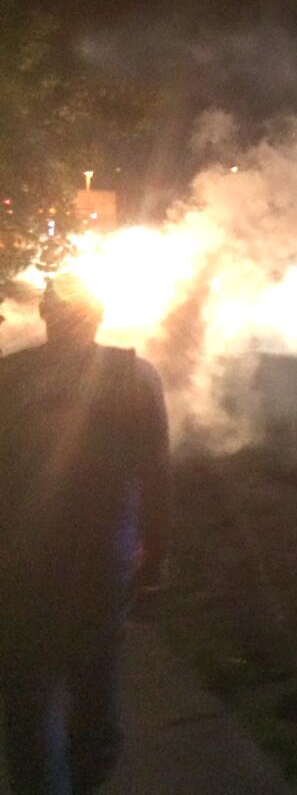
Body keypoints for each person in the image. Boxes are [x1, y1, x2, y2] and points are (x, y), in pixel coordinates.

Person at [0, 274, 171, 795]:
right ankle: (84, 777)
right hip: (105, 559)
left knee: (30, 699)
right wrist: (153, 568)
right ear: (96, 318)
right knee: (96, 687)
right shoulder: (137, 377)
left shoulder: (9, 378)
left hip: (23, 560)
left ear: (48, 318)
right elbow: (156, 477)